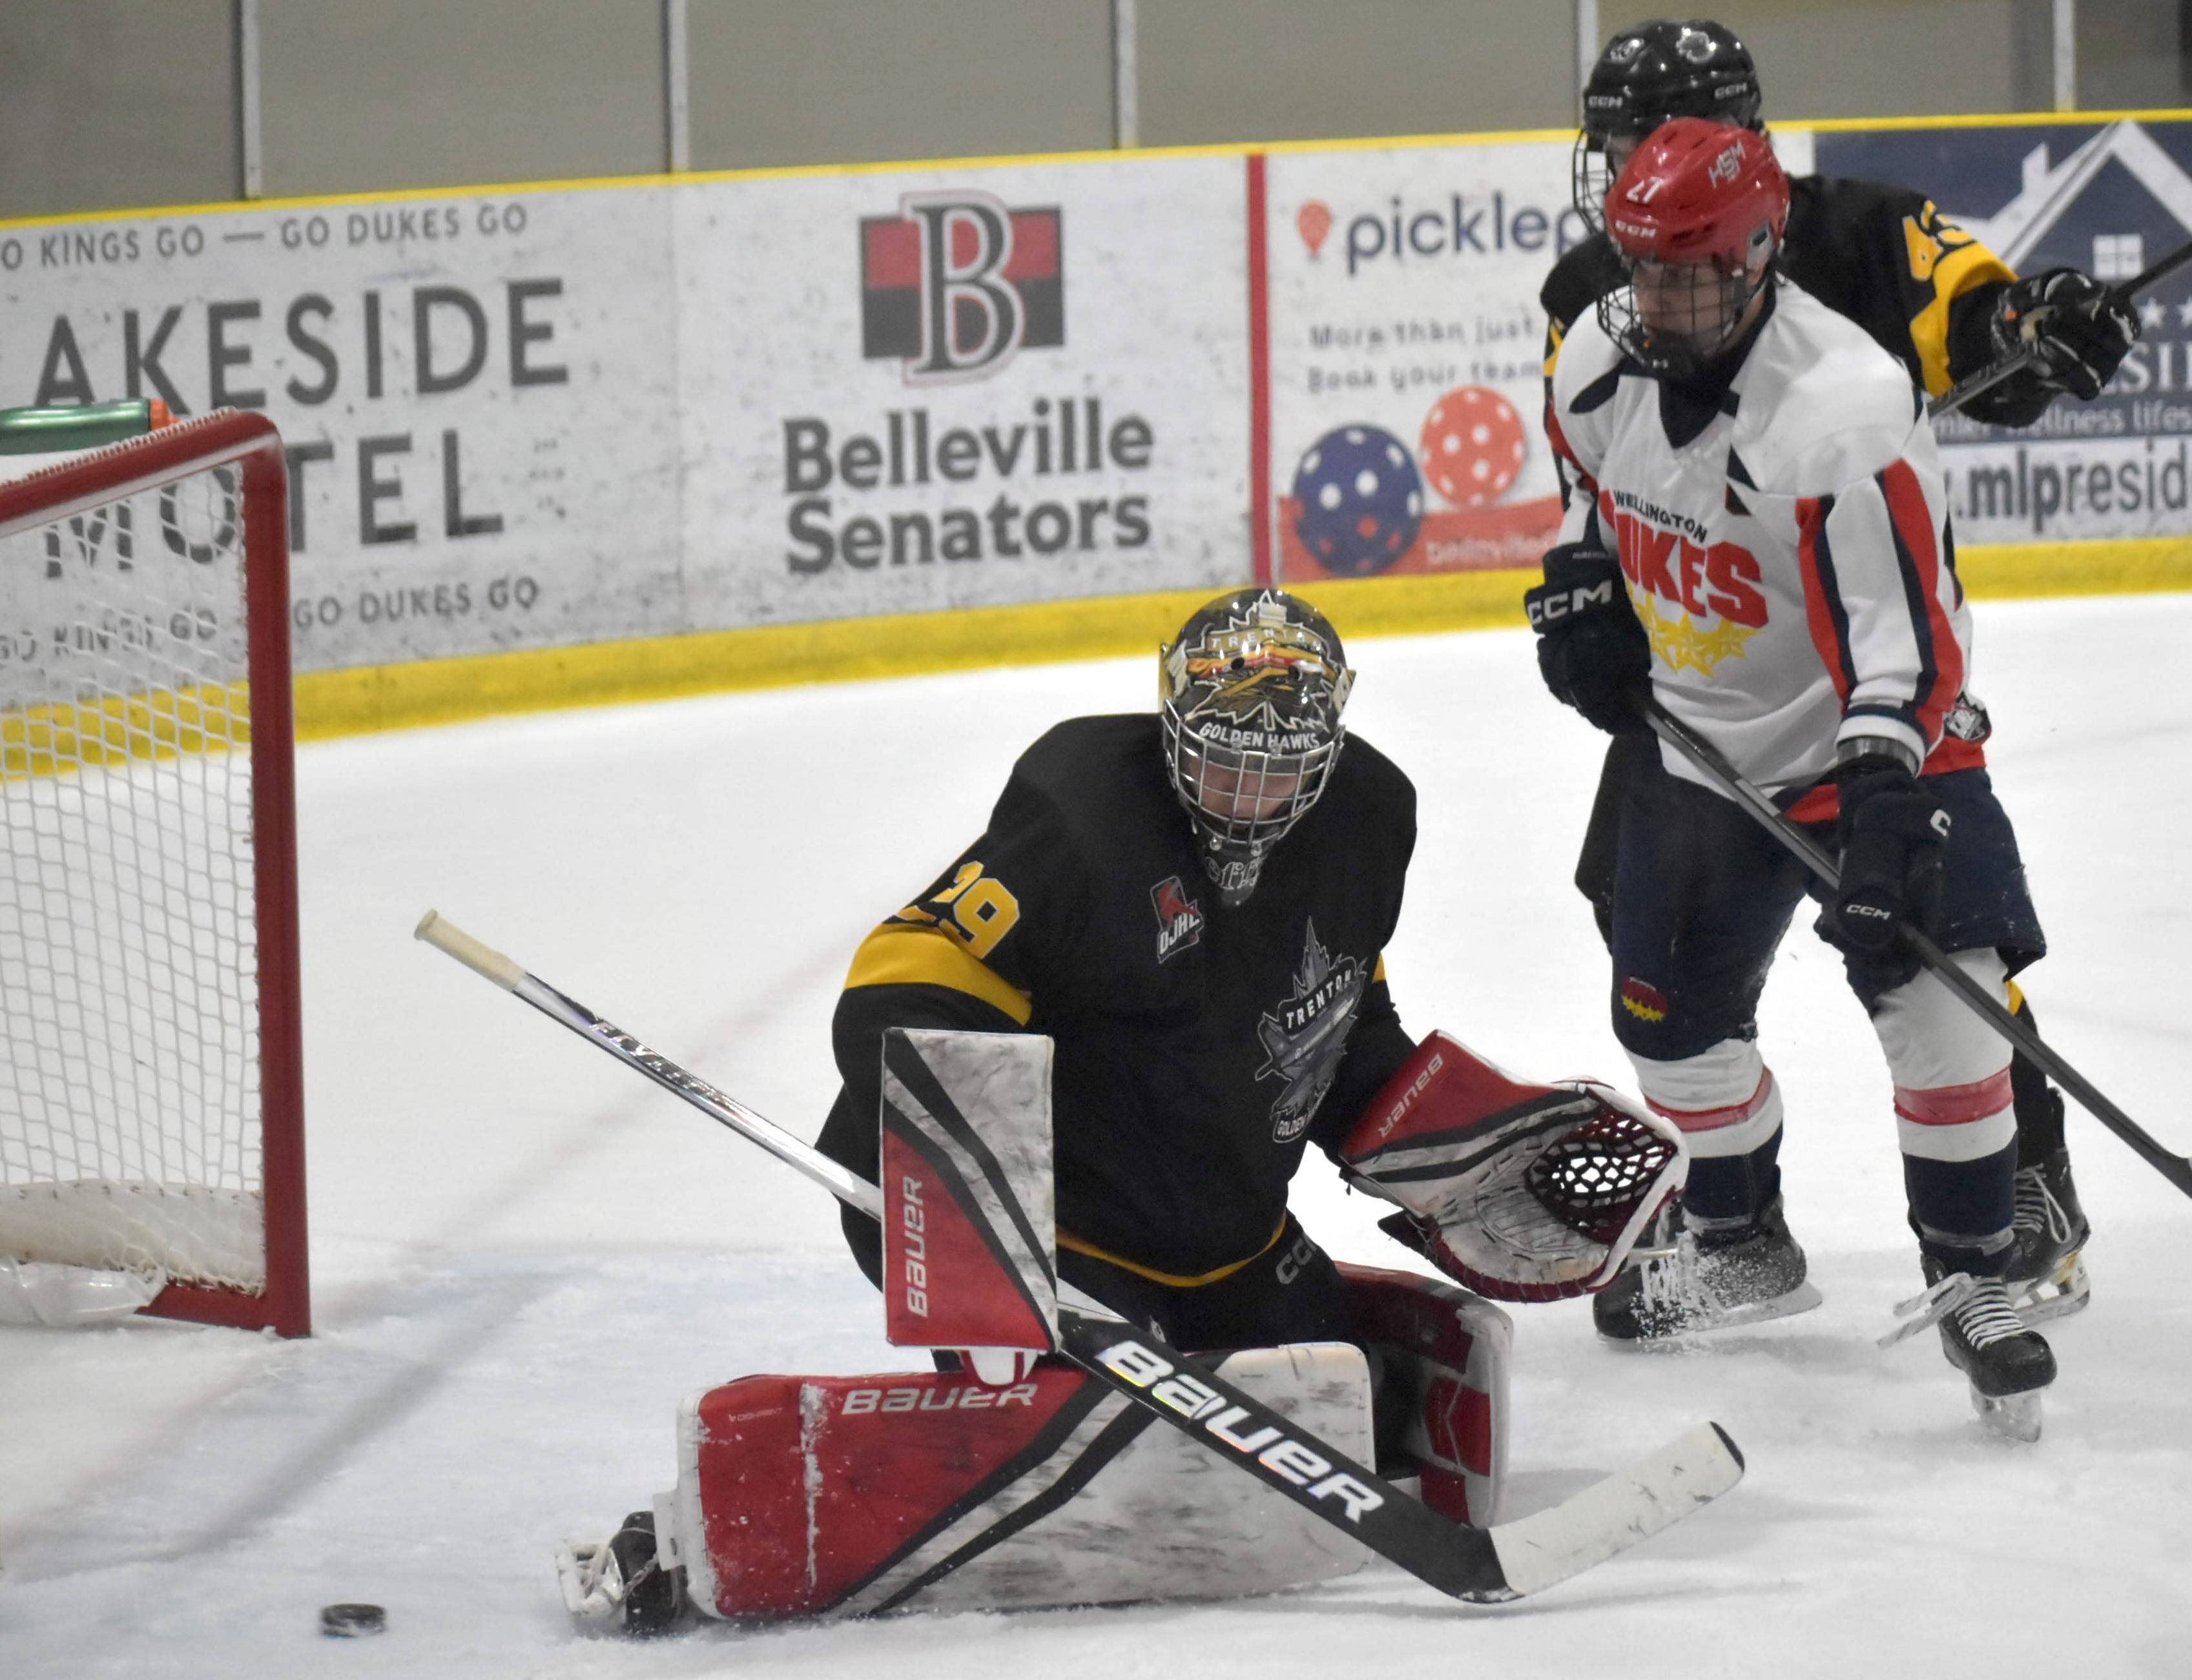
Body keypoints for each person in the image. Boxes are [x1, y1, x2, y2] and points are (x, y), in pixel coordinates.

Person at [1537, 17, 2133, 1326]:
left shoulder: (1860, 243)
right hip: (1705, 675)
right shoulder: (1603, 296)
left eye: (1648, 138)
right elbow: (1595, 482)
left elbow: (1986, 333)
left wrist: (2039, 325)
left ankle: (2010, 1192)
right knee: (1642, 939)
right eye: (1618, 147)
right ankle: (1735, 1215)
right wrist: (1579, 578)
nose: (1633, 169)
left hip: (1870, 660)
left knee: (1939, 945)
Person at [816, 588, 1679, 1350]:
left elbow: (1334, 1024)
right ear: (1172, 725)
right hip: (1049, 1227)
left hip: (1219, 1231)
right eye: (1224, 762)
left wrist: (1445, 1143)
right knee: (1119, 1437)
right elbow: (906, 976)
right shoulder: (1085, 811)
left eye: (1278, 771)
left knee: (1369, 1398)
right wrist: (968, 1188)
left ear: (1329, 748)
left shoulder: (1367, 820)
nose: (1246, 797)